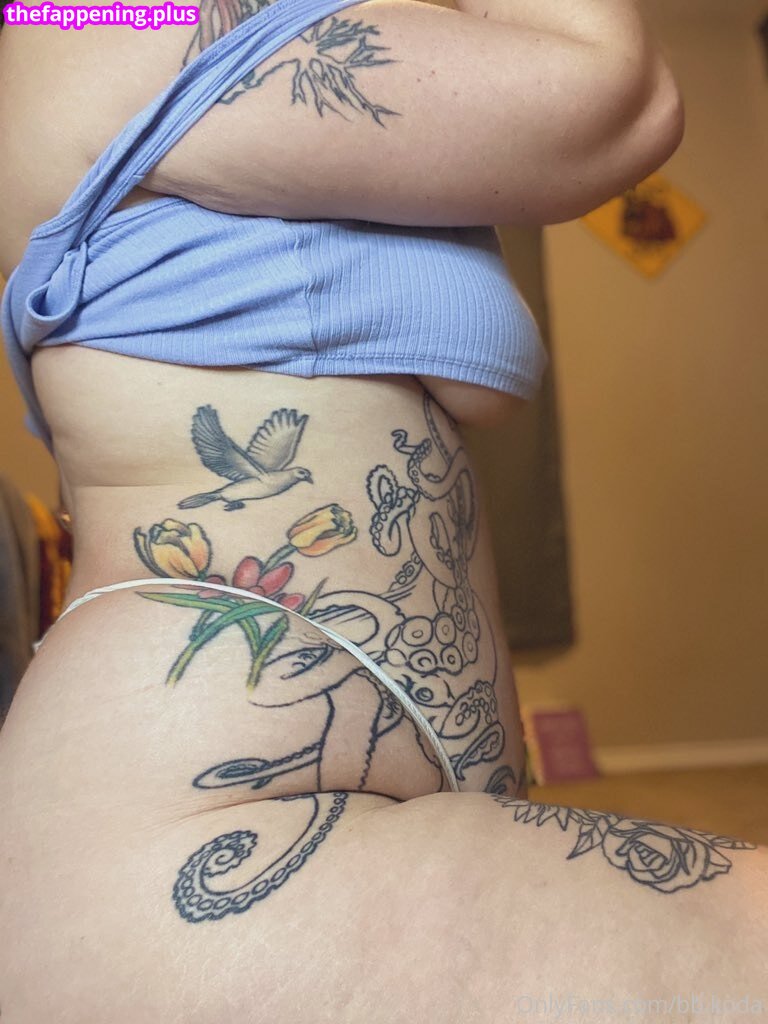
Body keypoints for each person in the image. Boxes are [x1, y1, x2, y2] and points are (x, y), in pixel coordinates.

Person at [0, 0, 765, 1020]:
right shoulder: (103, 16)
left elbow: (474, 380)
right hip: (203, 799)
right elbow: (614, 98)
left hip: (385, 755)